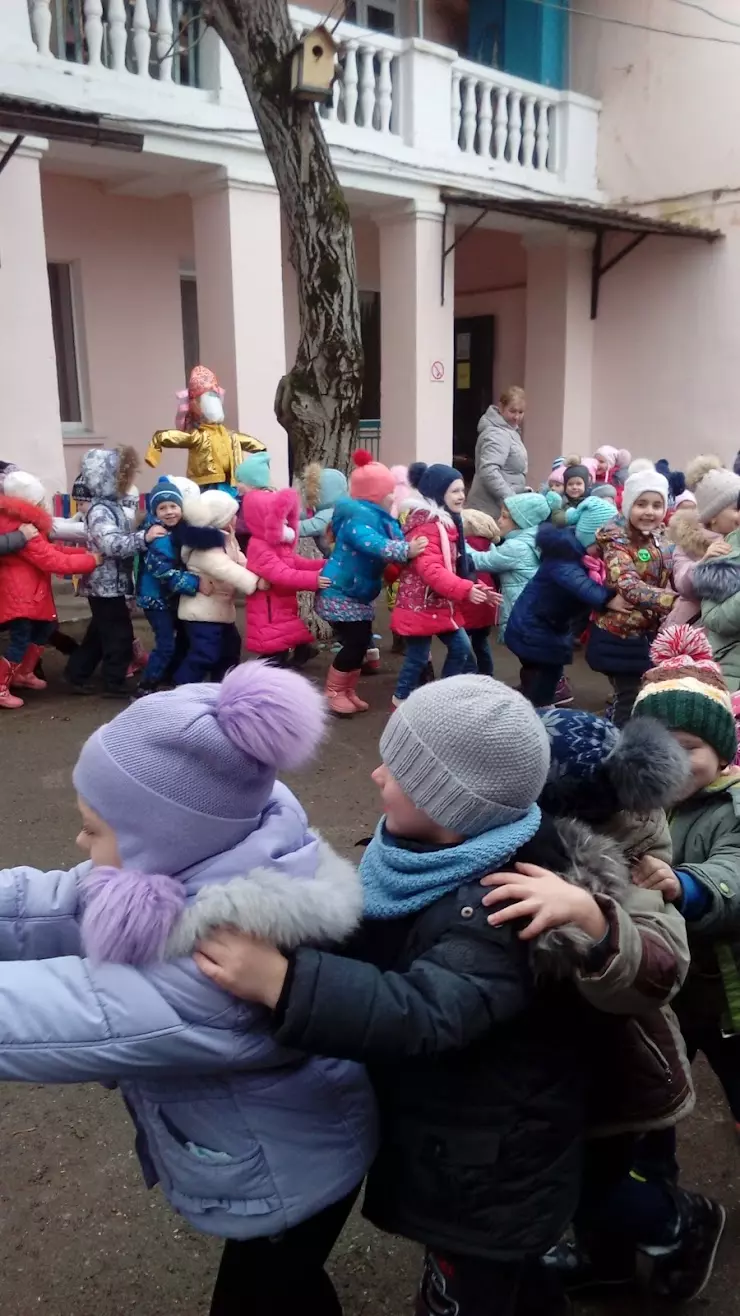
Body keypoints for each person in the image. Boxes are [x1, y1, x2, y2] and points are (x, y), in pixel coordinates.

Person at [194, 675, 688, 1316]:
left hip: (490, 1165)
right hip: (462, 1134)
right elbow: (372, 935)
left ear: (449, 806)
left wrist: (284, 983)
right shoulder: (419, 851)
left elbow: (423, 1010)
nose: (374, 775)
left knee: (470, 1291)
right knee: (507, 1283)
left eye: (397, 771)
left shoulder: (499, 907)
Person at [0, 663, 377, 1315]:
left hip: (288, 1178)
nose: (79, 842)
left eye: (94, 830)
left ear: (159, 844)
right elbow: (60, 901)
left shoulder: (220, 963)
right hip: (287, 1144)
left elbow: (52, 1012)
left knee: (263, 1297)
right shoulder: (234, 837)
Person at [550, 626, 735, 1303]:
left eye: (692, 751)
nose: (678, 766)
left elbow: (732, 876)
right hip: (655, 998)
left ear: (724, 752)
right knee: (638, 1131)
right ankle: (624, 1239)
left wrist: (685, 885)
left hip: (717, 987)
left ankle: (673, 1221)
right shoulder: (615, 809)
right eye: (662, 751)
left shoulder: (727, 808)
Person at [316, 450, 424, 717]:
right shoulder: (358, 518)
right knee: (354, 642)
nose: (393, 497)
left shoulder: (375, 516)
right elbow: (373, 545)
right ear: (375, 495)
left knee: (361, 641)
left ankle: (347, 690)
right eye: (389, 493)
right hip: (340, 592)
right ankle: (333, 692)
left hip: (355, 592)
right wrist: (405, 551)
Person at [63, 448, 162, 697]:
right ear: (107, 478)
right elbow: (111, 544)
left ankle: (77, 673)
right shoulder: (100, 511)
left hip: (111, 583)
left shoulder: (109, 506)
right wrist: (144, 538)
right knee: (119, 634)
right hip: (104, 584)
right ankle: (114, 682)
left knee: (100, 632)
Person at [391, 463, 491, 705]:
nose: (461, 496)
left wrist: (475, 586)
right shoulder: (428, 527)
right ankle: (400, 701)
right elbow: (432, 571)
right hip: (420, 604)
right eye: (454, 491)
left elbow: (456, 564)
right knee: (416, 657)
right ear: (437, 492)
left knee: (461, 648)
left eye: (461, 490)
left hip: (439, 603)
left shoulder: (447, 523)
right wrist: (466, 589)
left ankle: (440, 697)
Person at [505, 497, 619, 708]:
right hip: (534, 630)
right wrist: (607, 598)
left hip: (543, 627)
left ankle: (531, 695)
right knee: (544, 674)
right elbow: (579, 584)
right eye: (601, 543)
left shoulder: (582, 556)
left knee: (544, 670)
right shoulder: (564, 557)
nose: (605, 549)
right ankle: (537, 710)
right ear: (588, 536)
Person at [0, 470, 98, 709]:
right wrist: (93, 561)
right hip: (20, 596)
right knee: (20, 639)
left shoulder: (25, 525)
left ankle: (23, 672)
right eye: (40, 499)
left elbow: (55, 552)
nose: (45, 504)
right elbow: (53, 561)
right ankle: (2, 684)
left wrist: (84, 554)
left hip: (29, 593)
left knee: (44, 628)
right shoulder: (24, 529)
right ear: (29, 502)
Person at [586, 468, 675, 726]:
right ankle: (619, 750)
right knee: (630, 696)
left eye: (657, 505)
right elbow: (628, 584)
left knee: (633, 694)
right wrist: (672, 601)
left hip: (644, 632)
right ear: (628, 506)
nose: (650, 511)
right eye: (642, 504)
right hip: (621, 634)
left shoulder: (659, 536)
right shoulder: (617, 541)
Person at [174, 489, 259, 685]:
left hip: (219, 610)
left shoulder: (227, 537)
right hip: (201, 613)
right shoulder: (206, 546)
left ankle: (220, 687)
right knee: (205, 654)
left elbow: (239, 560)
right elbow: (225, 568)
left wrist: (259, 571)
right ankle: (182, 688)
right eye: (233, 515)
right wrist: (254, 582)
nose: (237, 518)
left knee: (229, 651)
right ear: (221, 518)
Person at [134, 477, 208, 695]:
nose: (169, 512)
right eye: (162, 508)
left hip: (168, 598)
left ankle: (168, 676)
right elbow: (163, 572)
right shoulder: (160, 538)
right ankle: (146, 685)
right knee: (166, 644)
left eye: (173, 506)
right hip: (155, 600)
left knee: (180, 639)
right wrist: (195, 583)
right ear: (154, 512)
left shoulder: (175, 532)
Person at [147, 364, 266, 494]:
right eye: (208, 401)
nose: (214, 406)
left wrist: (262, 454)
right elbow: (171, 437)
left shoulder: (230, 436)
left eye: (215, 400)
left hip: (231, 485)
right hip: (206, 486)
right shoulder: (199, 436)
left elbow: (253, 444)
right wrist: (156, 445)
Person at [242, 487, 325, 667]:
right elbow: (282, 574)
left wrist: (323, 565)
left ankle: (302, 651)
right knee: (274, 648)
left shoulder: (278, 545)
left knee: (289, 631)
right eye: (282, 517)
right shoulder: (260, 547)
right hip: (269, 606)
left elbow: (296, 562)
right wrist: (314, 580)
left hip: (280, 602)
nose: (286, 521)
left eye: (288, 516)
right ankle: (260, 679)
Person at [466, 490, 558, 640]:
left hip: (520, 615)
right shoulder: (534, 539)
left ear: (522, 521)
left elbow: (480, 561)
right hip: (533, 612)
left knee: (530, 658)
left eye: (505, 517)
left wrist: (462, 543)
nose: (499, 520)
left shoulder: (516, 547)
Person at [467, 385, 528, 519]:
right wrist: (511, 498)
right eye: (512, 411)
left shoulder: (509, 430)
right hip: (491, 509)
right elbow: (489, 471)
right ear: (501, 407)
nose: (517, 417)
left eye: (521, 412)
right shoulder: (497, 433)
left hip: (498, 507)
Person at [459, 507, 501, 676]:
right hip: (487, 600)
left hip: (470, 596)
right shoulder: (490, 545)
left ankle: (469, 672)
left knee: (461, 643)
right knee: (481, 643)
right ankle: (487, 675)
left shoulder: (462, 544)